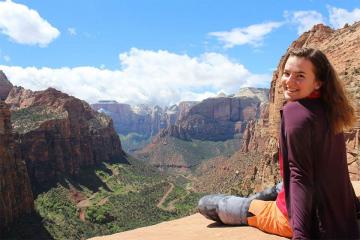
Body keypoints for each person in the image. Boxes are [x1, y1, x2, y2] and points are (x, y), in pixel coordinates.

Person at [198, 47, 360, 239]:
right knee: (281, 185)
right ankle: (258, 198)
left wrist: (300, 235)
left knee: (207, 203)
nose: (289, 82)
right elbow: (336, 168)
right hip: (339, 215)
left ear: (318, 82)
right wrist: (352, 208)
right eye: (286, 73)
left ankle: (250, 204)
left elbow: (299, 178)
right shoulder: (331, 109)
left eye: (300, 76)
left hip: (301, 218)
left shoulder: (294, 112)